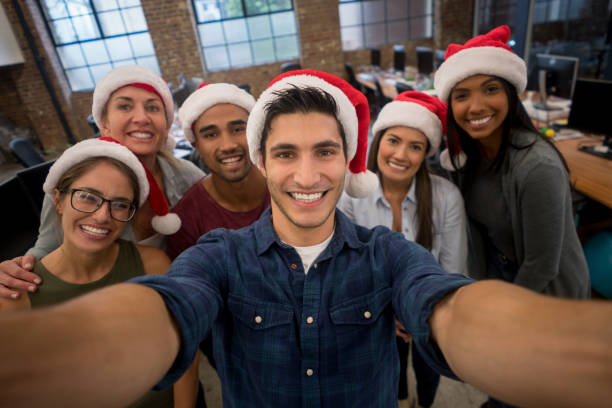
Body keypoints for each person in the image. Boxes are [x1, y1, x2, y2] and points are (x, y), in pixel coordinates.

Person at [1, 70, 611, 408]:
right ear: (262, 162)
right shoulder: (218, 253)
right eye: (286, 154)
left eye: (325, 152)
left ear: (348, 160)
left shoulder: (388, 251)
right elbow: (166, 309)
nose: (309, 175)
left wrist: (572, 350)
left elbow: (452, 307)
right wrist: (49, 355)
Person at [433, 25, 591, 407]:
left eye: (490, 89)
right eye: (462, 95)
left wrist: (498, 317)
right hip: (504, 274)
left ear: (509, 93)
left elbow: (543, 262)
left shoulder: (535, 166)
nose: (476, 107)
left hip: (548, 290)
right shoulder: (468, 158)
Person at [0, 137, 200, 407]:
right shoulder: (16, 292)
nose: (102, 216)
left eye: (119, 204)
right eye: (87, 197)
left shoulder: (154, 265)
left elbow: (185, 353)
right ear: (58, 200)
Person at [0, 65, 205, 300]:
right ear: (103, 123)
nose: (141, 117)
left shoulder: (185, 175)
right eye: (125, 106)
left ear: (167, 125)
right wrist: (17, 271)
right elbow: (46, 249)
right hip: (105, 300)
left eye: (153, 108)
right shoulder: (78, 179)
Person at [338, 91, 467, 408]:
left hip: (430, 308)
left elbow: (452, 269)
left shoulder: (446, 197)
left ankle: (424, 401)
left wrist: (422, 312)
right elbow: (349, 266)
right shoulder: (351, 193)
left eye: (415, 146)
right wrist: (392, 311)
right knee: (388, 374)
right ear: (377, 141)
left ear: (426, 154)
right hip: (374, 309)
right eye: (393, 141)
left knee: (428, 370)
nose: (401, 154)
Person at [167, 82, 270, 260]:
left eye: (238, 129)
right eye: (211, 135)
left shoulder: (290, 187)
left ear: (256, 134)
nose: (228, 145)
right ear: (196, 146)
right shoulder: (187, 219)